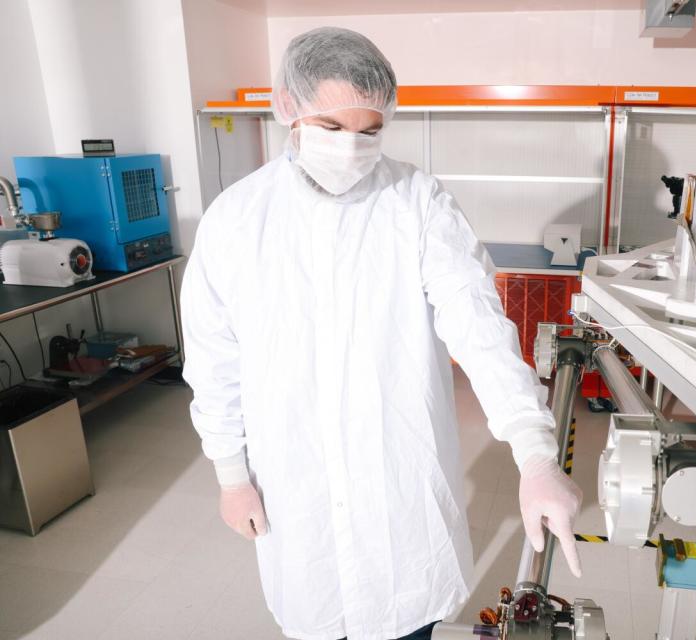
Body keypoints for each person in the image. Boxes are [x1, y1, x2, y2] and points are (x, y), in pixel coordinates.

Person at [181, 26, 582, 640]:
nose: (351, 148)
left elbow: (479, 329)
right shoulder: (236, 220)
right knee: (316, 612)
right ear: (288, 108)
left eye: (370, 132)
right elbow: (214, 363)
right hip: (295, 489)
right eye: (333, 128)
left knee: (405, 618)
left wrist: (534, 454)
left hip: (399, 493)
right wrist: (231, 477)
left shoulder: (417, 203)